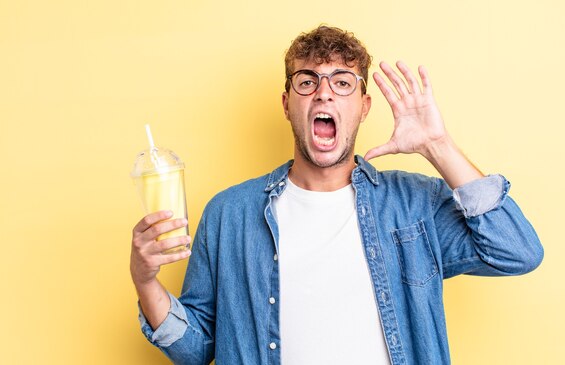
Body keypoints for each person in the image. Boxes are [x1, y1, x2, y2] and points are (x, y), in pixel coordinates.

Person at [130, 25, 543, 365]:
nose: (324, 93)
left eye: (342, 82)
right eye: (307, 81)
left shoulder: (414, 205)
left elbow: (517, 251)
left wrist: (438, 145)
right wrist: (145, 281)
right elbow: (197, 348)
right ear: (286, 102)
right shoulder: (230, 214)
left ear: (364, 106)